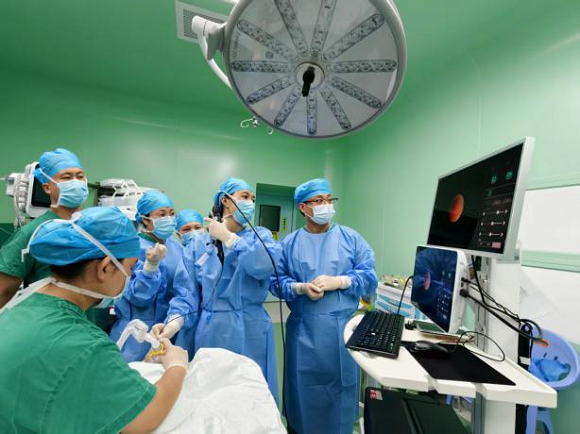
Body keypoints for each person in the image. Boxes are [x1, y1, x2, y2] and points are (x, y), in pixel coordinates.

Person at [0, 207, 189, 433]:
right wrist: (176, 366)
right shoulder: (85, 344)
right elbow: (143, 418)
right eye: (130, 269)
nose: (130, 277)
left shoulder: (23, 305)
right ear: (105, 268)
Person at [154, 177, 281, 401]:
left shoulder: (260, 236)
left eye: (253, 199)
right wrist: (174, 323)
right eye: (245, 196)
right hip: (212, 330)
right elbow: (186, 294)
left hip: (252, 329)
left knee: (250, 399)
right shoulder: (198, 244)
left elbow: (265, 265)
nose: (250, 203)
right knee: (212, 398)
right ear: (225, 200)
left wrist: (230, 239)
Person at [272, 178, 378, 434]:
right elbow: (275, 282)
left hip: (343, 330)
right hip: (303, 331)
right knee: (303, 389)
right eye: (319, 201)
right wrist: (300, 288)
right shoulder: (288, 244)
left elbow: (369, 277)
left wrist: (341, 281)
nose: (326, 205)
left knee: (340, 390)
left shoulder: (351, 238)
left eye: (329, 200)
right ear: (302, 207)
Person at [110, 190, 194, 362]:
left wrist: (174, 322)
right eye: (162, 214)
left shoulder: (178, 249)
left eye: (172, 214)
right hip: (135, 334)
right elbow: (138, 298)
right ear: (145, 219)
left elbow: (185, 291)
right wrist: (150, 267)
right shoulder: (131, 248)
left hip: (166, 332)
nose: (169, 219)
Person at [0, 148, 88, 307]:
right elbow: (3, 291)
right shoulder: (32, 233)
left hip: (88, 319)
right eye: (67, 177)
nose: (76, 182)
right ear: (47, 187)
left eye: (80, 176)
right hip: (47, 318)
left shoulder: (94, 227)